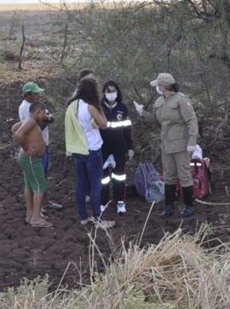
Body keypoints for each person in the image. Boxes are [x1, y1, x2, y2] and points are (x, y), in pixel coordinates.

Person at [135, 73, 199, 218]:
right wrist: (142, 112)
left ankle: (189, 206)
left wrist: (192, 142)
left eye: (158, 85)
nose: (157, 87)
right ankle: (169, 206)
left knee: (184, 175)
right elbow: (157, 121)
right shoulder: (159, 101)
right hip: (166, 144)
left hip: (181, 144)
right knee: (168, 175)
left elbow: (191, 121)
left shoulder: (181, 100)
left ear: (163, 86)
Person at [65, 77, 115, 229]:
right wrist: (99, 108)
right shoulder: (91, 107)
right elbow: (104, 124)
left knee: (81, 183)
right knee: (95, 186)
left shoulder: (73, 105)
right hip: (92, 149)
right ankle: (98, 219)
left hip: (78, 149)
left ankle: (84, 217)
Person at [18, 81, 62, 212]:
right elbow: (32, 127)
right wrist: (47, 120)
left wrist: (47, 119)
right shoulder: (25, 108)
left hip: (44, 144)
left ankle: (44, 203)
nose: (39, 95)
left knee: (43, 175)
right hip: (35, 147)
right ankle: (37, 208)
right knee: (37, 179)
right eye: (36, 93)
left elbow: (47, 117)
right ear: (28, 94)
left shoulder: (36, 105)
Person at [11, 101, 53, 228]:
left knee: (29, 185)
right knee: (41, 185)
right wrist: (27, 147)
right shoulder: (31, 122)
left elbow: (14, 128)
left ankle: (30, 215)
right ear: (38, 112)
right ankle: (36, 218)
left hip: (28, 158)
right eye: (43, 113)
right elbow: (18, 134)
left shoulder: (28, 120)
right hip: (30, 158)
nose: (44, 116)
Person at [100, 80, 134, 215]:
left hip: (119, 147)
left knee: (119, 176)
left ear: (117, 92)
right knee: (103, 178)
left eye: (113, 91)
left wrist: (130, 146)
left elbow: (127, 128)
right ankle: (103, 202)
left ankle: (120, 202)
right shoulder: (98, 107)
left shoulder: (123, 108)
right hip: (102, 147)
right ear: (104, 93)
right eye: (108, 91)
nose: (111, 94)